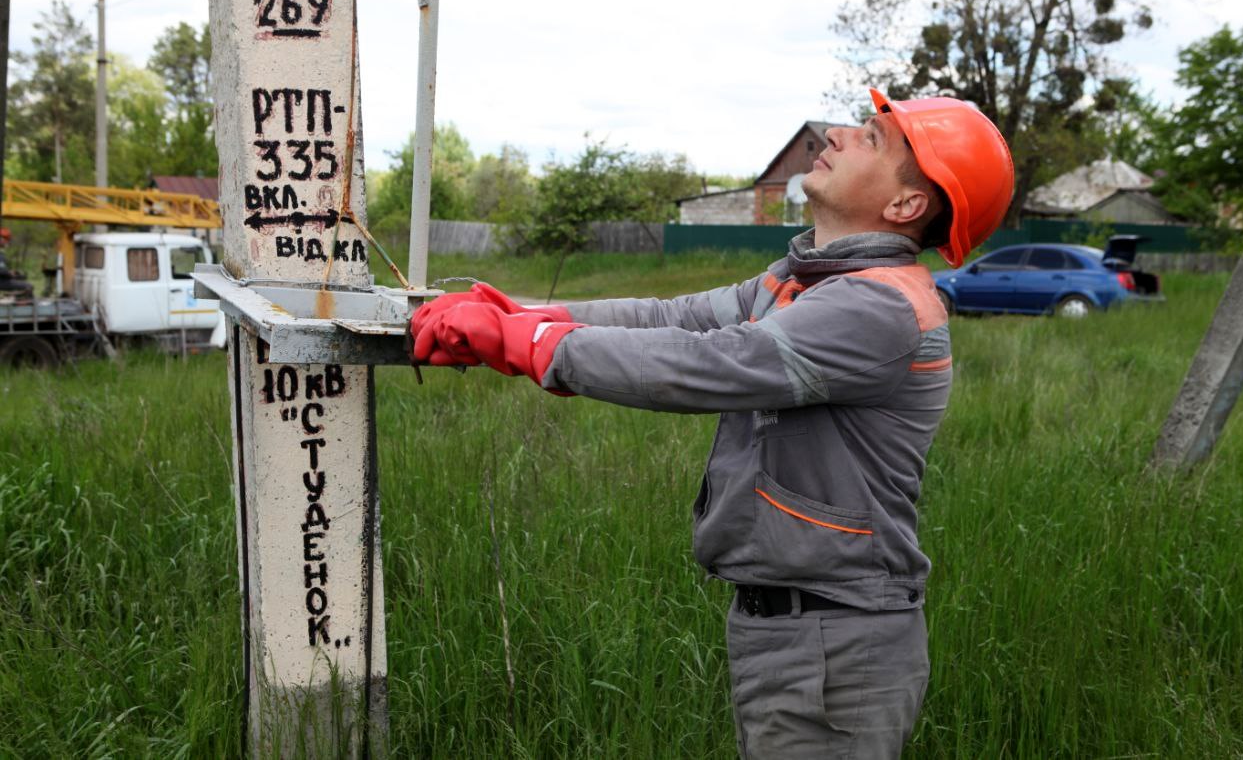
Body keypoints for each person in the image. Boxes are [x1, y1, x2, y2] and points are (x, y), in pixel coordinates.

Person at [410, 89, 1014, 758]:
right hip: (794, 625)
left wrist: (528, 344)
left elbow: (712, 362)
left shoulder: (880, 308)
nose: (838, 134)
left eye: (872, 138)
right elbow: (674, 318)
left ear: (905, 206)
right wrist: (523, 312)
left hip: (837, 641)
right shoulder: (805, 281)